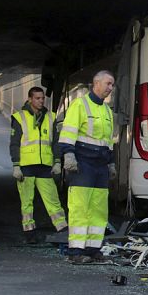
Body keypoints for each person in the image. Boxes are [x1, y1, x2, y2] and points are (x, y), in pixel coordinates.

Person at [59, 71, 115, 263]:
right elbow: (68, 132)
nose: (110, 88)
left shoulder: (107, 111)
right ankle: (75, 252)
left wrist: (112, 162)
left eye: (112, 85)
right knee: (80, 208)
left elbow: (109, 140)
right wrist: (68, 154)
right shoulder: (79, 105)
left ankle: (92, 249)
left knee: (99, 209)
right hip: (82, 163)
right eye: (108, 84)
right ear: (96, 83)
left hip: (100, 165)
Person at [9, 86, 67, 243]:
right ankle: (29, 233)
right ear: (30, 99)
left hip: (45, 166)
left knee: (53, 200)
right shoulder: (19, 117)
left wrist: (56, 162)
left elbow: (56, 142)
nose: (41, 101)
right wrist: (16, 165)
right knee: (27, 202)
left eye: (42, 98)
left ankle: (63, 230)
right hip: (26, 166)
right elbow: (14, 144)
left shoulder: (50, 117)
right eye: (37, 98)